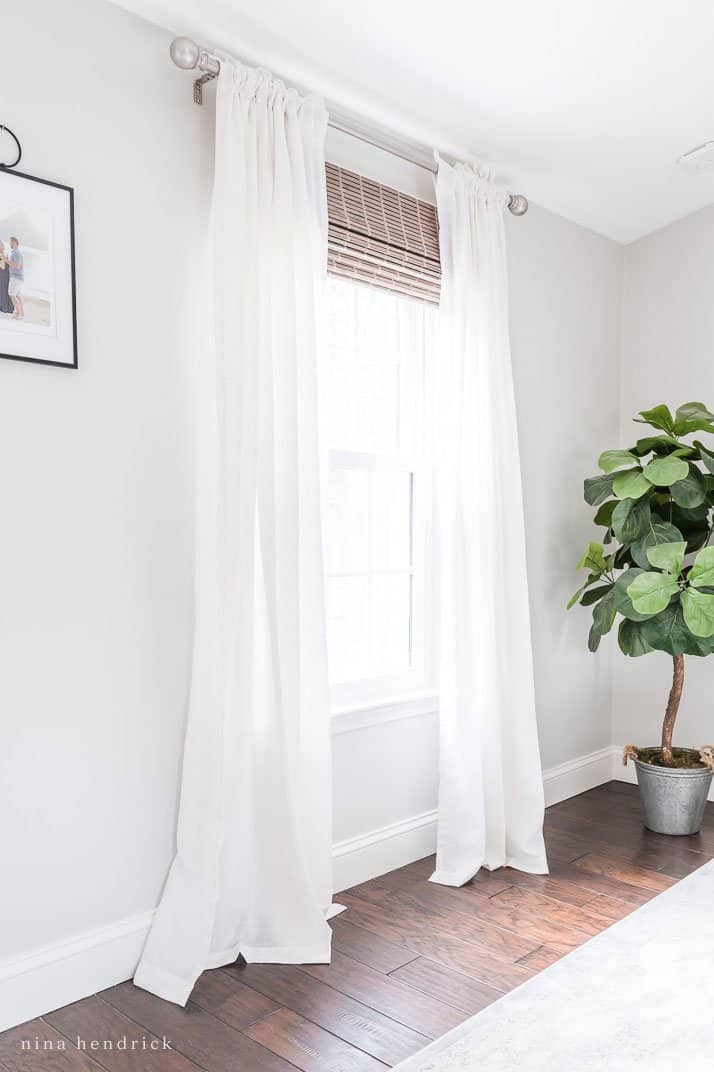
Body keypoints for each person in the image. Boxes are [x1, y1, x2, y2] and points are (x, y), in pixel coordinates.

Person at [8, 236, 24, 320]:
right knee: (17, 295)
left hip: (16, 277)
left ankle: (18, 313)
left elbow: (17, 266)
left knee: (12, 294)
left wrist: (6, 260)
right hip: (18, 278)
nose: (10, 243)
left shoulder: (17, 253)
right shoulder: (16, 252)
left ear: (14, 242)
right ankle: (22, 312)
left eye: (10, 242)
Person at [0, 241, 12, 315]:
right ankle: (8, 308)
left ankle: (5, 308)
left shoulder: (2, 255)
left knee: (3, 291)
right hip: (6, 275)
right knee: (5, 291)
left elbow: (2, 267)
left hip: (2, 276)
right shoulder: (5, 254)